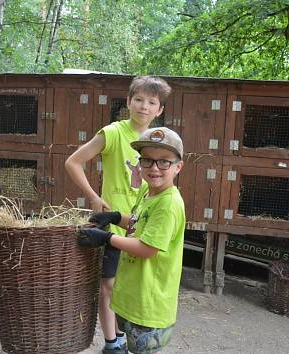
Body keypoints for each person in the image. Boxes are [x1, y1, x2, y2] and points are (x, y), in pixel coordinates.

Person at [65, 76, 171, 353]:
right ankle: (112, 343)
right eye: (139, 100)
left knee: (133, 287)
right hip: (113, 225)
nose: (144, 107)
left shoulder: (159, 141)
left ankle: (125, 338)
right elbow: (73, 162)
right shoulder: (113, 132)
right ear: (128, 102)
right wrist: (94, 197)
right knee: (109, 284)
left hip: (141, 226)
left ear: (159, 110)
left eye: (151, 103)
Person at [78, 127, 185, 354]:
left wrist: (108, 238)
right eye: (147, 160)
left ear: (178, 166)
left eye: (164, 162)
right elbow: (139, 223)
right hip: (133, 297)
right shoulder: (148, 192)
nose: (154, 168)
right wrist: (117, 217)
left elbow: (147, 248)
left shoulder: (168, 204)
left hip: (149, 303)